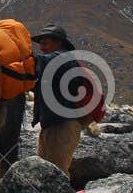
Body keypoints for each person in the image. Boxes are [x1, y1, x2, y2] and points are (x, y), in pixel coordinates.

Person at [32, 23, 103, 174]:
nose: (41, 48)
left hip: (64, 126)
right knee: (44, 171)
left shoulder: (62, 59)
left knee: (58, 172)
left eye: (45, 43)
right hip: (53, 125)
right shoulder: (60, 64)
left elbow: (39, 61)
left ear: (58, 43)